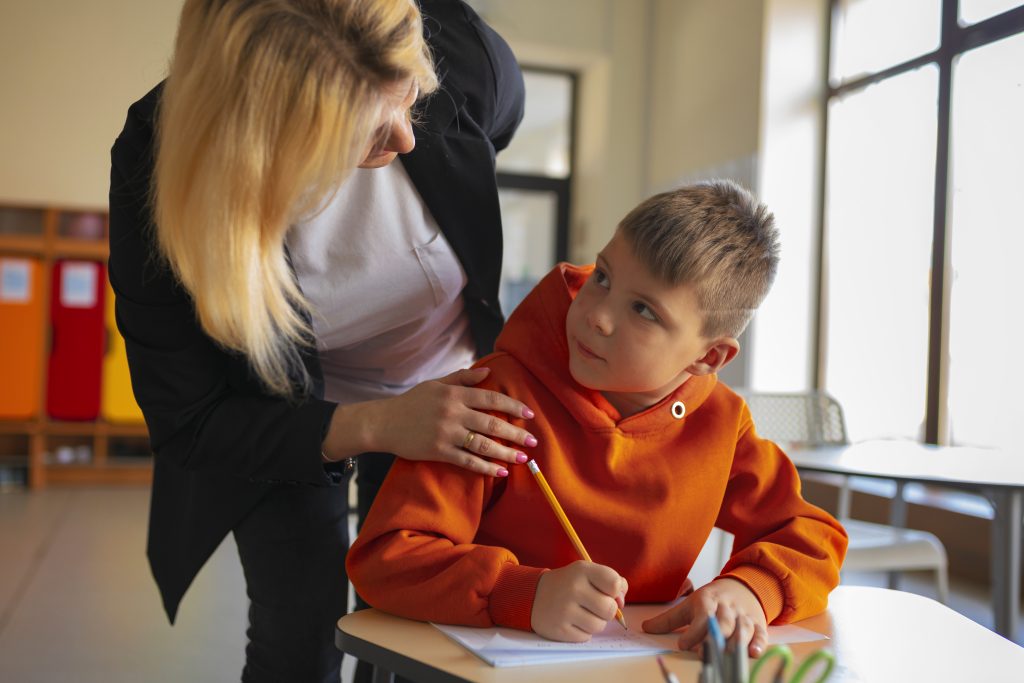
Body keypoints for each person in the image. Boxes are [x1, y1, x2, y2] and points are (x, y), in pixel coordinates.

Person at [108, 1, 528, 681]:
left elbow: (484, 139)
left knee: (422, 630)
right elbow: (191, 421)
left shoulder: (464, 53)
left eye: (410, 99)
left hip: (444, 383)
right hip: (278, 410)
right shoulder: (156, 163)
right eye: (362, 132)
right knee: (298, 632)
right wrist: (377, 422)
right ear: (265, 138)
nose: (406, 139)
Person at [347, 180, 849, 656]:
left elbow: (809, 535)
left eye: (644, 311)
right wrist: (521, 593)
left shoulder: (722, 422)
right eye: (603, 277)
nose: (598, 315)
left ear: (710, 358)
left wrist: (751, 590)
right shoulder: (493, 398)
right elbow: (387, 559)